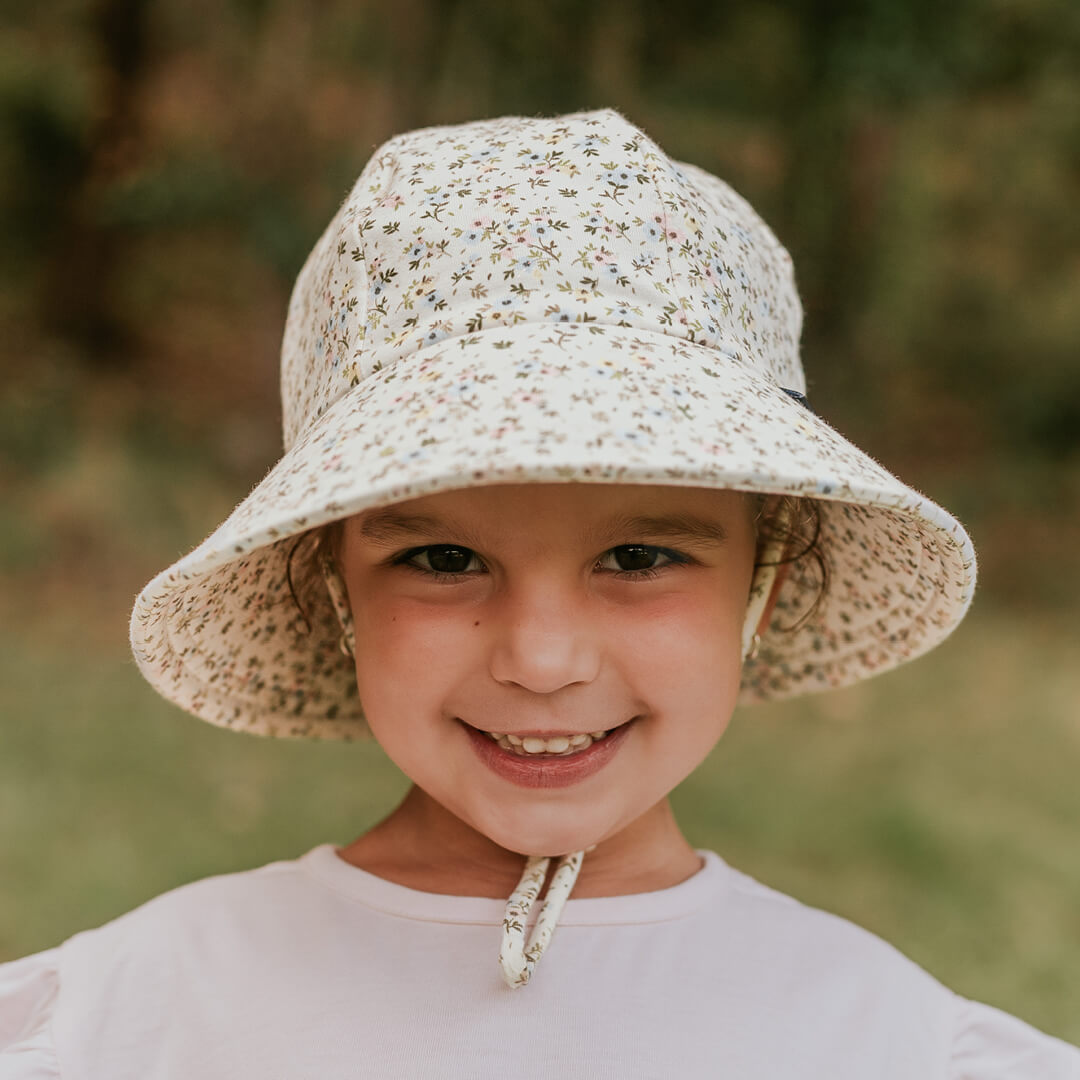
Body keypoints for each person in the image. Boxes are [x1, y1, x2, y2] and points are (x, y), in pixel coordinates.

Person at [1, 108, 1077, 1078]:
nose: (544, 657)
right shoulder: (131, 1019)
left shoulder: (883, 1041)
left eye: (640, 558)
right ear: (334, 588)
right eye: (443, 561)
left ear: (765, 580)